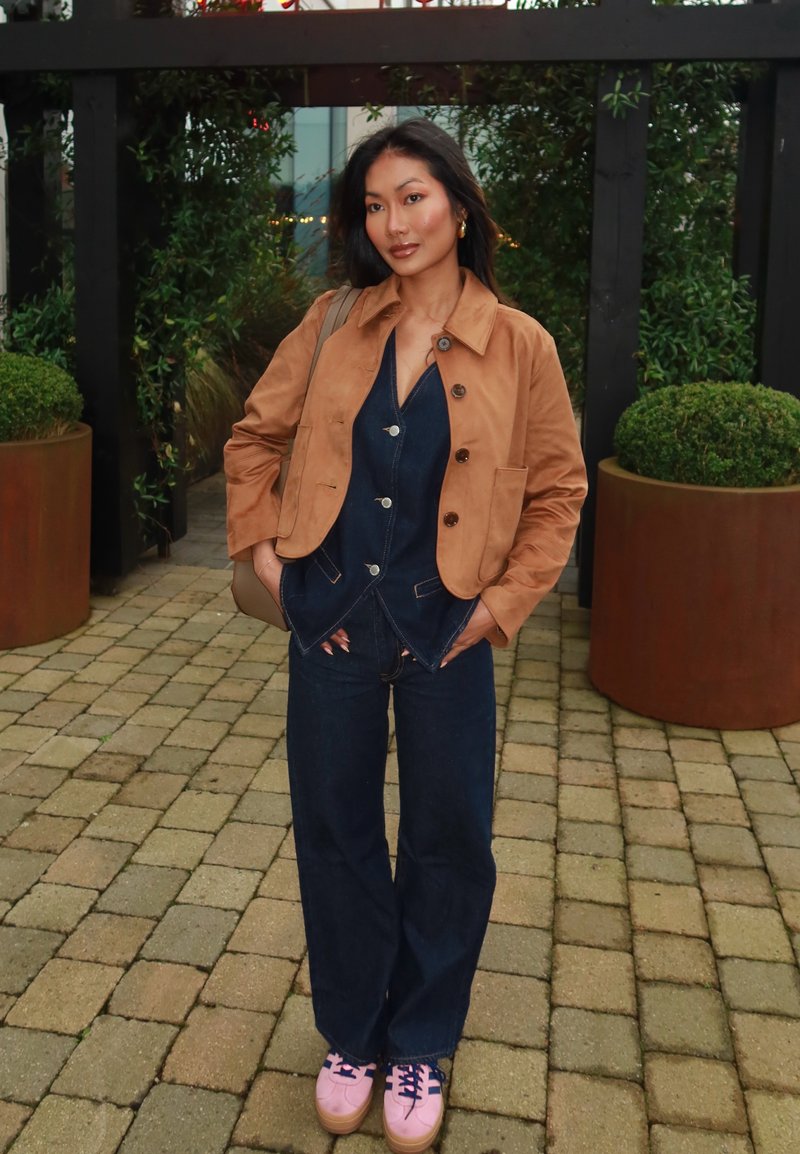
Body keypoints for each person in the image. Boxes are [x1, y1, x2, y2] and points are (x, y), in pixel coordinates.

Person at [224, 117, 587, 1154]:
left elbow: (559, 491)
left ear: (460, 205)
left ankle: (419, 1037)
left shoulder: (521, 346)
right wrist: (266, 557)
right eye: (375, 204)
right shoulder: (334, 319)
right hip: (329, 622)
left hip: (448, 631)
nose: (393, 222)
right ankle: (352, 1032)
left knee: (446, 836)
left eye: (414, 197)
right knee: (334, 830)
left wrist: (496, 608)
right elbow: (253, 437)